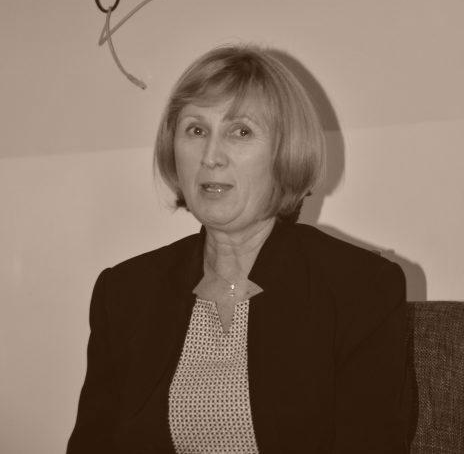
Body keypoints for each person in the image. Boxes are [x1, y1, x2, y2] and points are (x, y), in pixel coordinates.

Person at [67, 44, 409, 454]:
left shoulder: (361, 289)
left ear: (284, 152)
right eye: (196, 131)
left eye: (240, 131)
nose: (211, 157)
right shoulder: (124, 292)